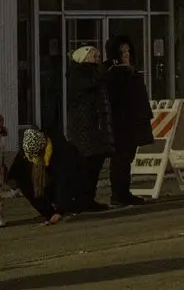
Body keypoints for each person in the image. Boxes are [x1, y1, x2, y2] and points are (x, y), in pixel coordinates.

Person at [62, 45, 114, 213]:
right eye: (93, 55)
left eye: (98, 55)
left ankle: (88, 199)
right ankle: (81, 200)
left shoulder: (95, 73)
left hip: (95, 128)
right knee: (85, 167)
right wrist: (104, 68)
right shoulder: (79, 73)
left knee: (94, 165)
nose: (97, 58)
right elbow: (91, 83)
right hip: (84, 129)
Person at [104, 35, 153, 206]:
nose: (126, 53)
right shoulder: (115, 74)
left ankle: (122, 192)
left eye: (127, 50)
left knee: (126, 159)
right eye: (122, 51)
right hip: (122, 124)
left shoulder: (129, 71)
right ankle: (119, 194)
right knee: (121, 160)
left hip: (132, 122)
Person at [4, 126, 63, 225]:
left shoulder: (55, 153)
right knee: (31, 189)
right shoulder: (24, 155)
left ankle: (55, 210)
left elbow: (64, 181)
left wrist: (61, 209)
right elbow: (17, 170)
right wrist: (12, 179)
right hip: (33, 185)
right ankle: (49, 212)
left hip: (51, 184)